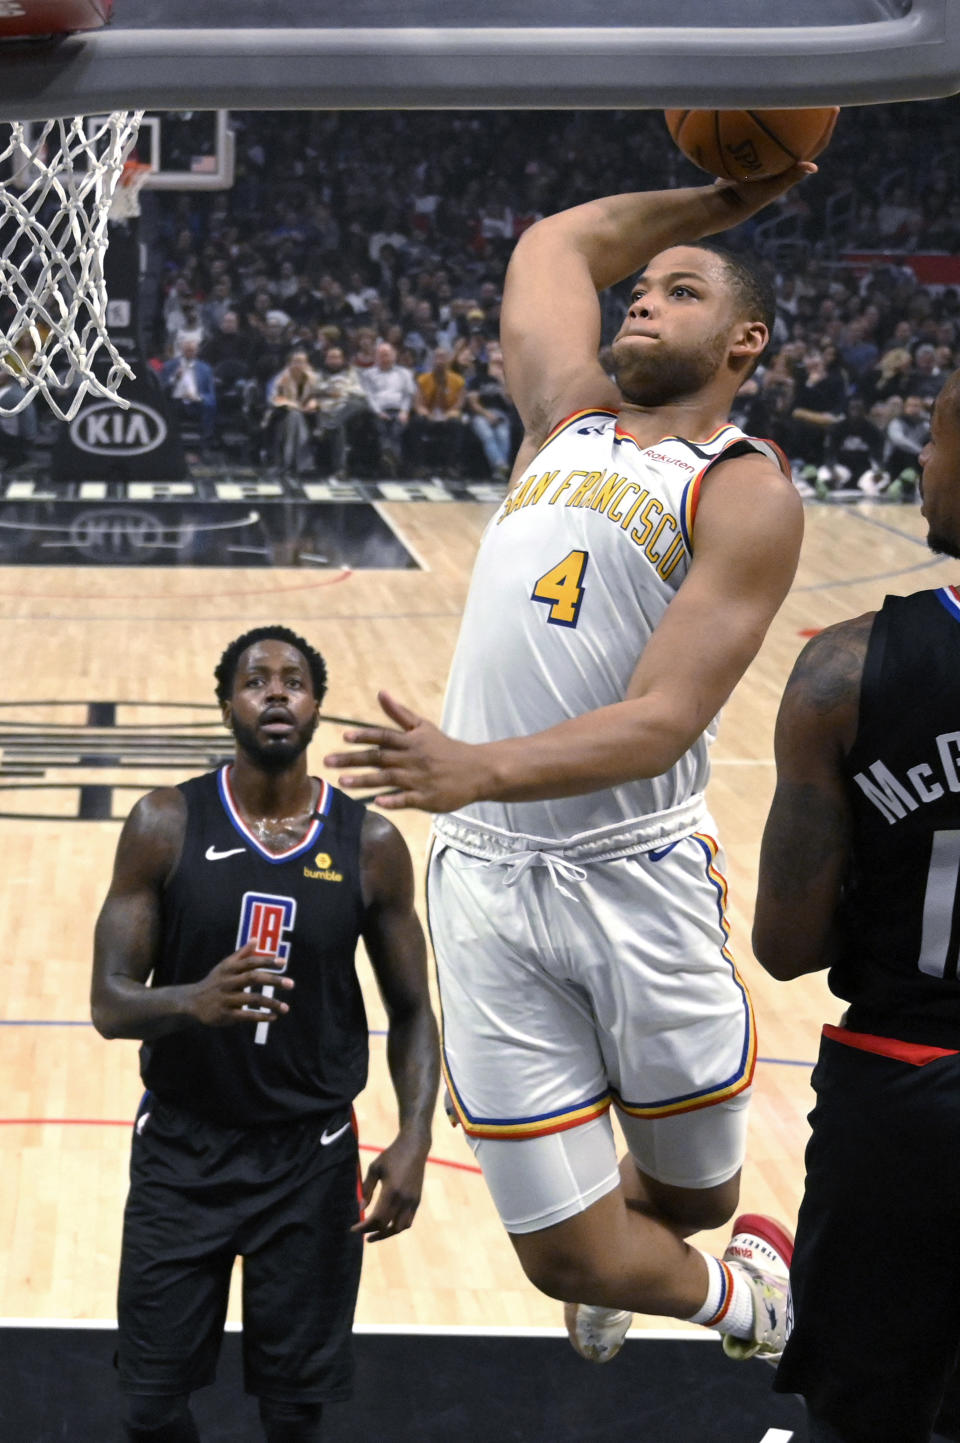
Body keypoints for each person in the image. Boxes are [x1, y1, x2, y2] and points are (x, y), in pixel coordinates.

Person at [325, 170, 811, 1365]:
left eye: (681, 292)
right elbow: (556, 239)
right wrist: (717, 196)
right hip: (489, 875)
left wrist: (477, 765)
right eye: (640, 291)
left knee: (689, 1195)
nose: (642, 301)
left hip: (635, 872)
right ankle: (747, 1302)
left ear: (744, 342)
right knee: (566, 1254)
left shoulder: (745, 490)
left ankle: (676, 1255)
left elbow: (663, 720)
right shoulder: (563, 418)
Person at [91, 625, 440, 1443]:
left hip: (309, 1157)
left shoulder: (372, 845)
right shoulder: (163, 822)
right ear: (227, 704)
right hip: (183, 1151)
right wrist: (192, 1001)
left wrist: (416, 1134)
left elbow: (415, 1009)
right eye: (256, 680)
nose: (276, 692)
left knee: (294, 1412)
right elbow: (109, 1002)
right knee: (149, 1405)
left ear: (316, 706)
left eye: (294, 681)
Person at [752, 369, 960, 1443]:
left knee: (868, 1412)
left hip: (901, 1094)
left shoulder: (842, 670)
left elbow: (785, 945)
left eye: (935, 434)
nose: (923, 462)